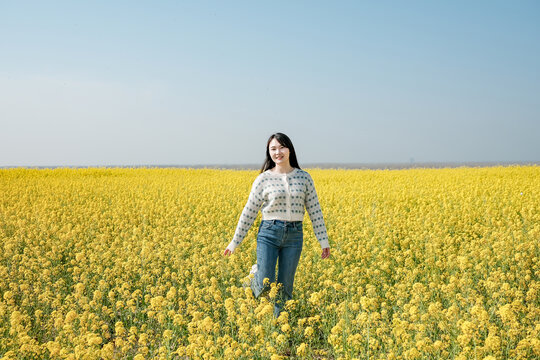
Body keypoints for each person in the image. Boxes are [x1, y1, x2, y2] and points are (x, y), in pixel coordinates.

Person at [223, 132, 331, 317]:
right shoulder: (263, 179)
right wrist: (234, 242)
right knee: (265, 283)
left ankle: (279, 327)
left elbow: (315, 211)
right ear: (269, 152)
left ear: (289, 150)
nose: (277, 152)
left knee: (285, 287)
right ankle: (253, 278)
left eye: (281, 147)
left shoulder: (304, 178)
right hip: (269, 233)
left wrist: (324, 241)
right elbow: (249, 211)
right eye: (273, 149)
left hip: (294, 236)